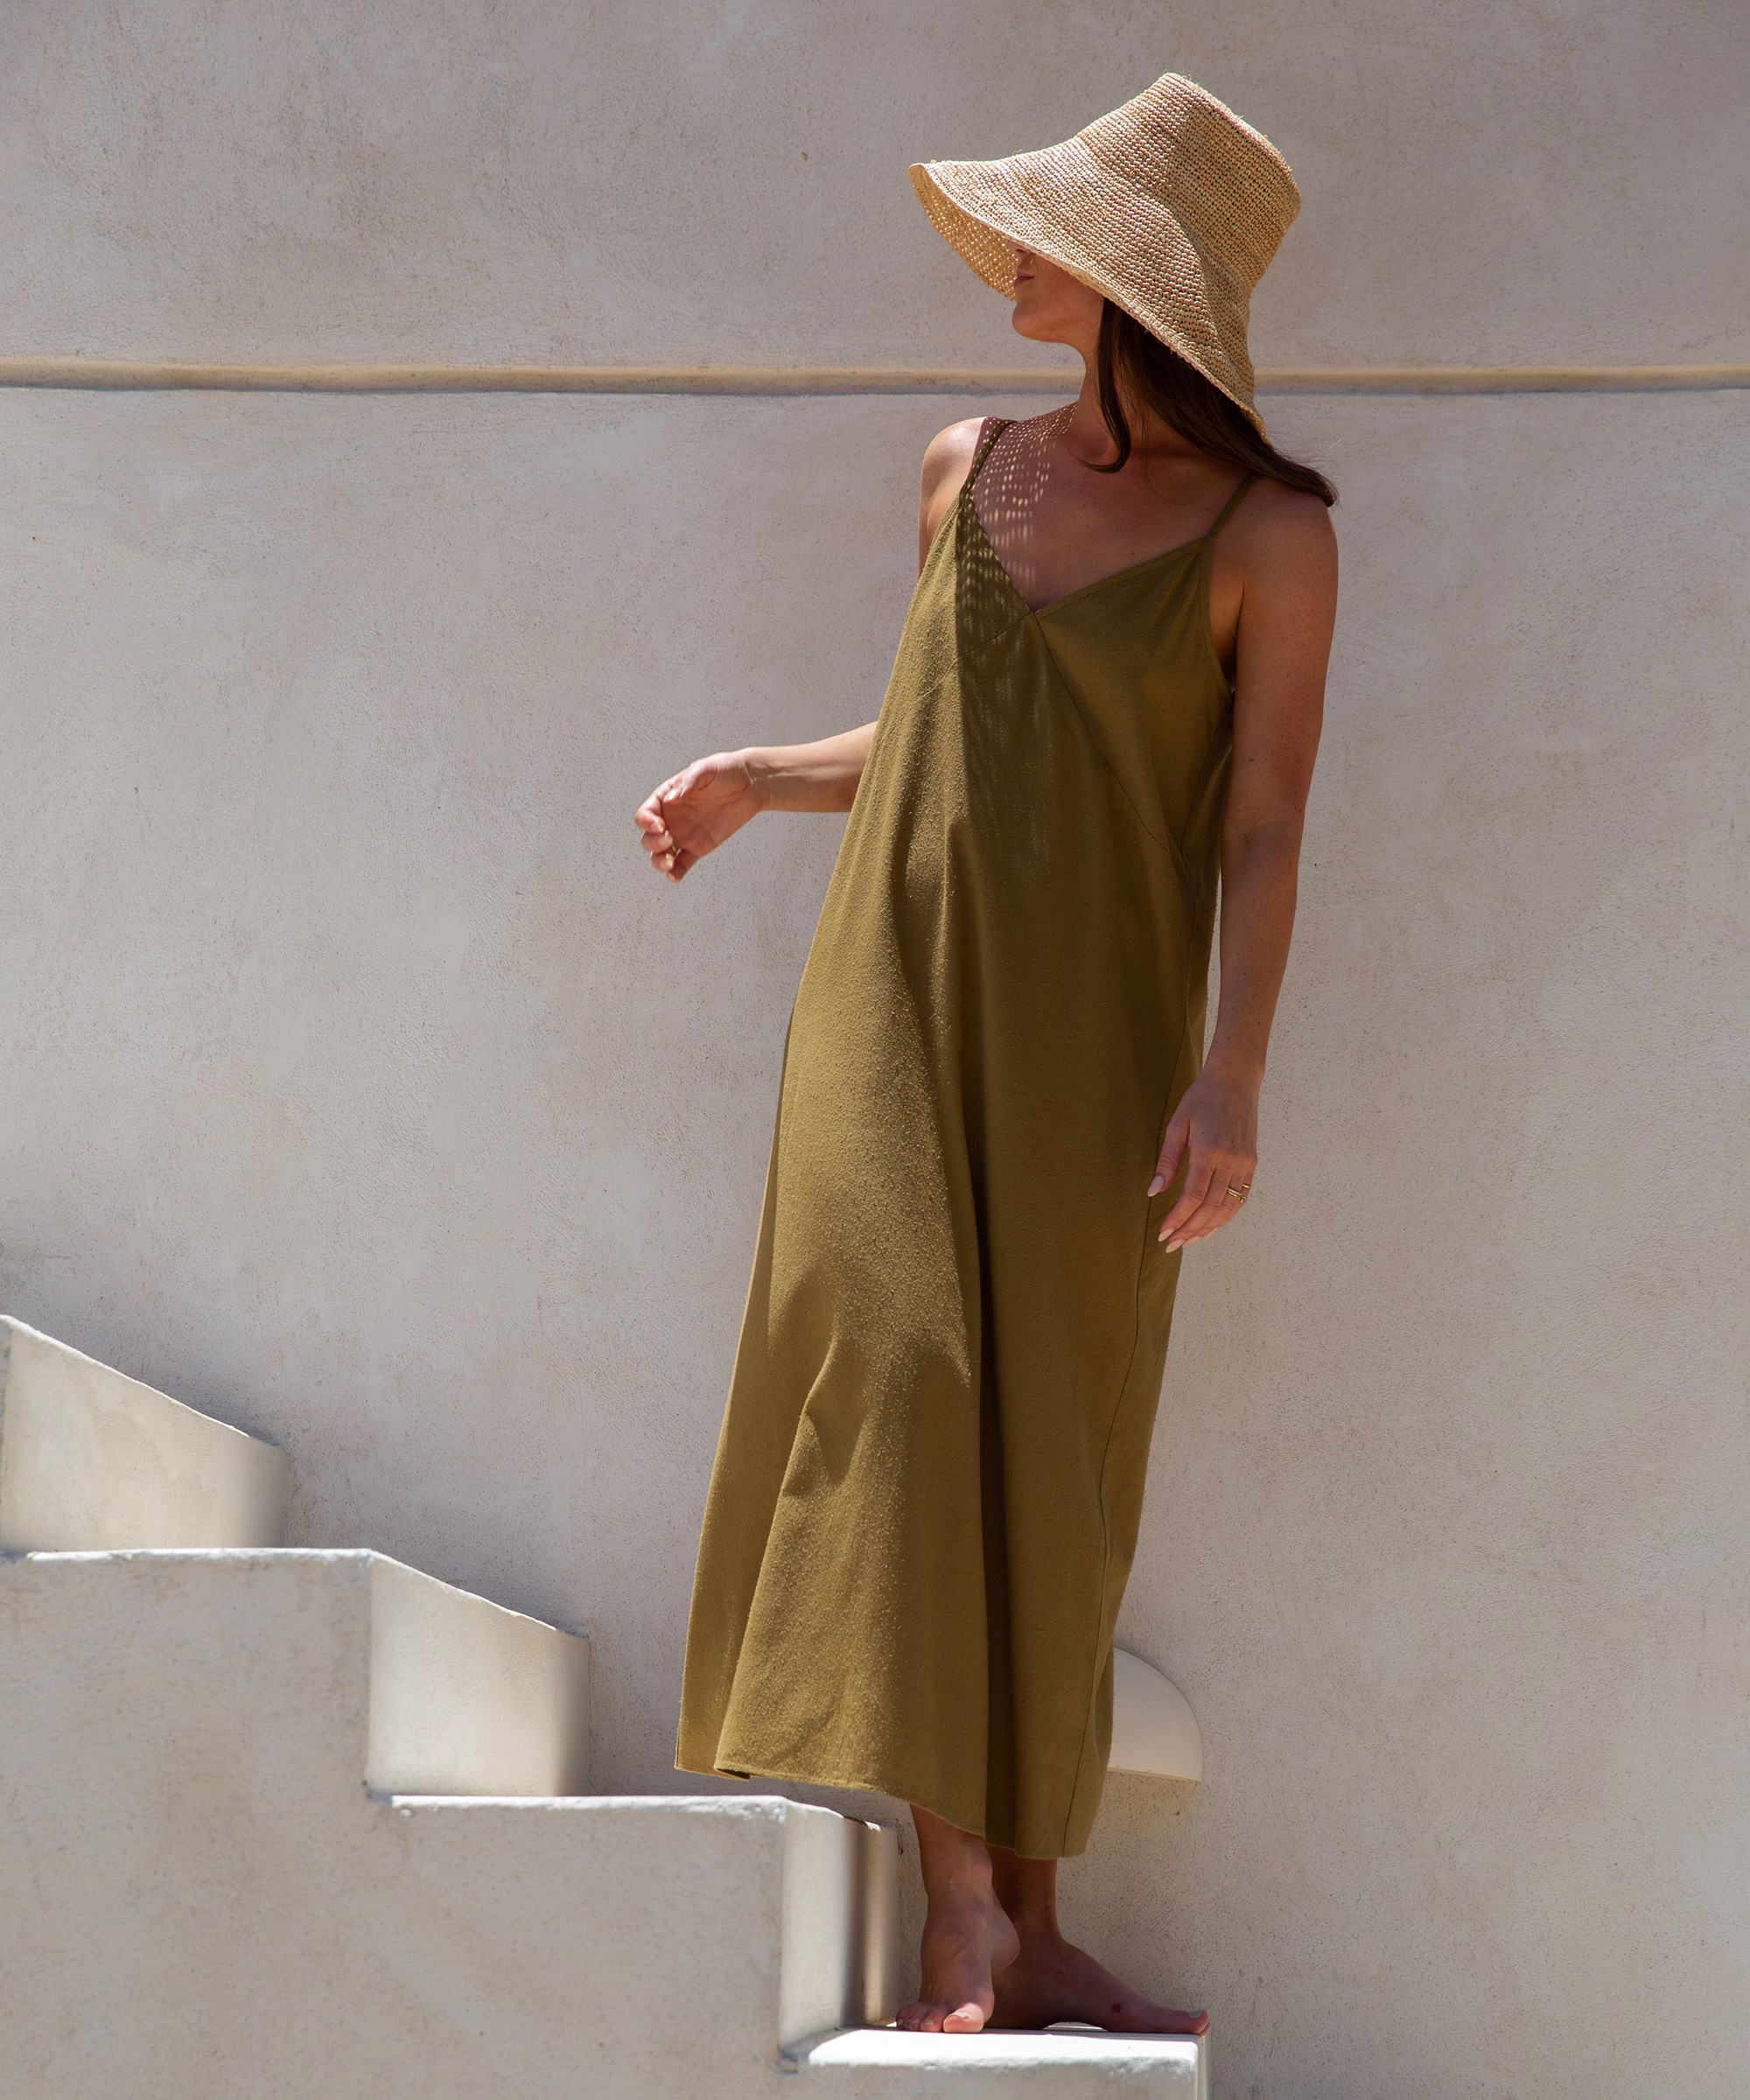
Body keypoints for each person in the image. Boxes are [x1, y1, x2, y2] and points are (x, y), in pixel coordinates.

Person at [635, 74, 1338, 2037]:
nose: (1004, 254)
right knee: (904, 1380)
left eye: (1043, 230)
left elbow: (1265, 822)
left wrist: (1236, 1074)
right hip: (894, 1003)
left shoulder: (1271, 538)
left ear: (1127, 281)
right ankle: (962, 1907)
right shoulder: (964, 467)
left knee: (1049, 1455)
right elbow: (939, 733)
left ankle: (1028, 1921)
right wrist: (761, 780)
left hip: (1102, 1048)